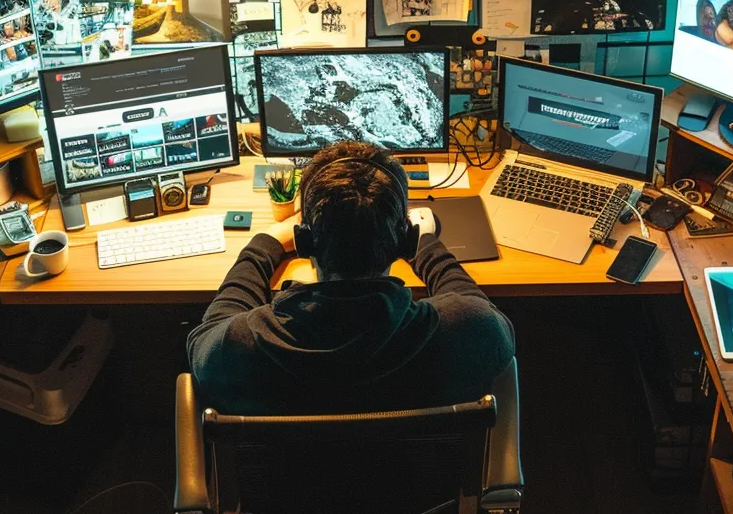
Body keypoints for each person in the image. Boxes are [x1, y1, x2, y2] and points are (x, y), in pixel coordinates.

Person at [188, 142, 516, 415]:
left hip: (287, 493)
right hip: (422, 493)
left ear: (303, 242)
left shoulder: (239, 348)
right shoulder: (468, 331)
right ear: (403, 242)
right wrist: (426, 245)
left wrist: (265, 245)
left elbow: (207, 335)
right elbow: (478, 308)